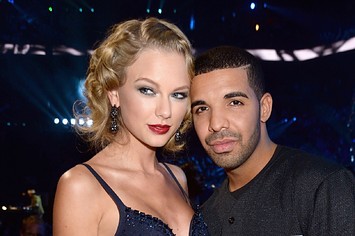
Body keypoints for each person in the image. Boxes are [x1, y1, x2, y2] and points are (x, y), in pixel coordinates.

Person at [53, 17, 208, 235]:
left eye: (178, 94)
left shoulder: (177, 177)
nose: (165, 111)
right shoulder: (81, 186)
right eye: (147, 90)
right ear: (113, 92)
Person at [190, 45, 355, 235]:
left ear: (265, 108)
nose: (216, 124)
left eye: (235, 103)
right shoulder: (206, 218)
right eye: (202, 109)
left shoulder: (322, 187)